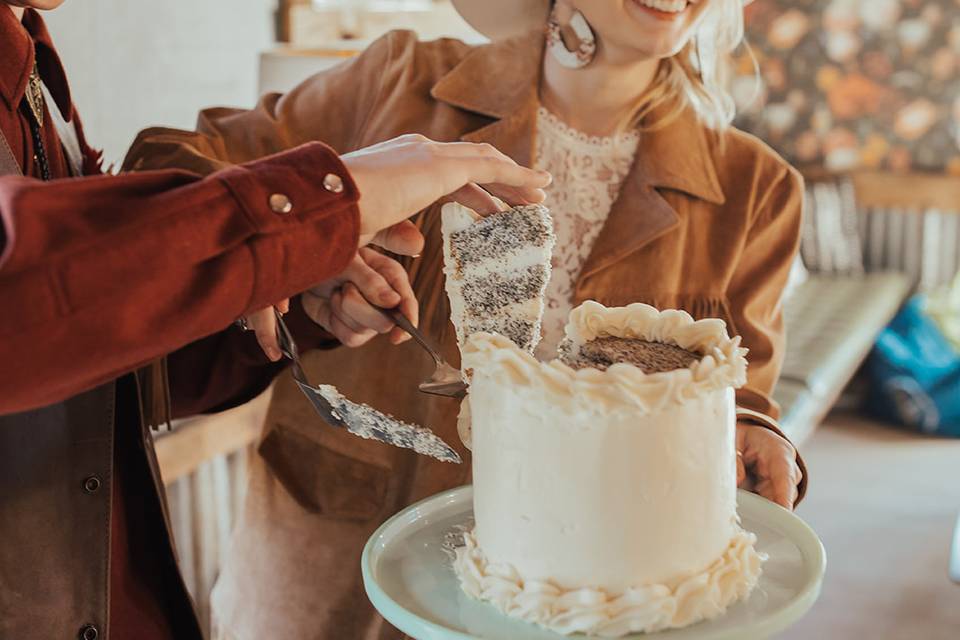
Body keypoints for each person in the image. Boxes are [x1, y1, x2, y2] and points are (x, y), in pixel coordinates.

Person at [125, 0, 807, 637]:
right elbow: (169, 169)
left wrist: (752, 430)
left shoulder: (758, 191)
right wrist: (299, 249)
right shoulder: (398, 80)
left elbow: (733, 394)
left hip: (577, 603)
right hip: (331, 564)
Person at [0, 4, 550, 640]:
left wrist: (282, 285)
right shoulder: (404, 71)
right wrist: (315, 207)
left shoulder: (37, 70)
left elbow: (95, 355)